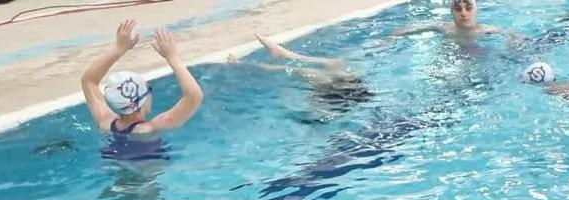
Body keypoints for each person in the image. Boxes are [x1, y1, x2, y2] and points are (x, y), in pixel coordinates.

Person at [81, 20, 204, 153]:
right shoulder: (151, 128)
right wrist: (172, 57)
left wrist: (118, 49)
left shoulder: (105, 122)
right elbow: (194, 96)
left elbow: (88, 81)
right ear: (141, 100)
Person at [229, 34, 372, 121]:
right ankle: (284, 54)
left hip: (340, 95)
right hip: (353, 92)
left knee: (299, 70)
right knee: (335, 63)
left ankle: (245, 64)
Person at [388, 0, 525, 44]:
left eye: (468, 8)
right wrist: (390, 39)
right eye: (458, 9)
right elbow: (402, 30)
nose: (463, 13)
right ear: (451, 12)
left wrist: (514, 42)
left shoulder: (486, 30)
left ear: (475, 11)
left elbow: (514, 35)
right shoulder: (442, 26)